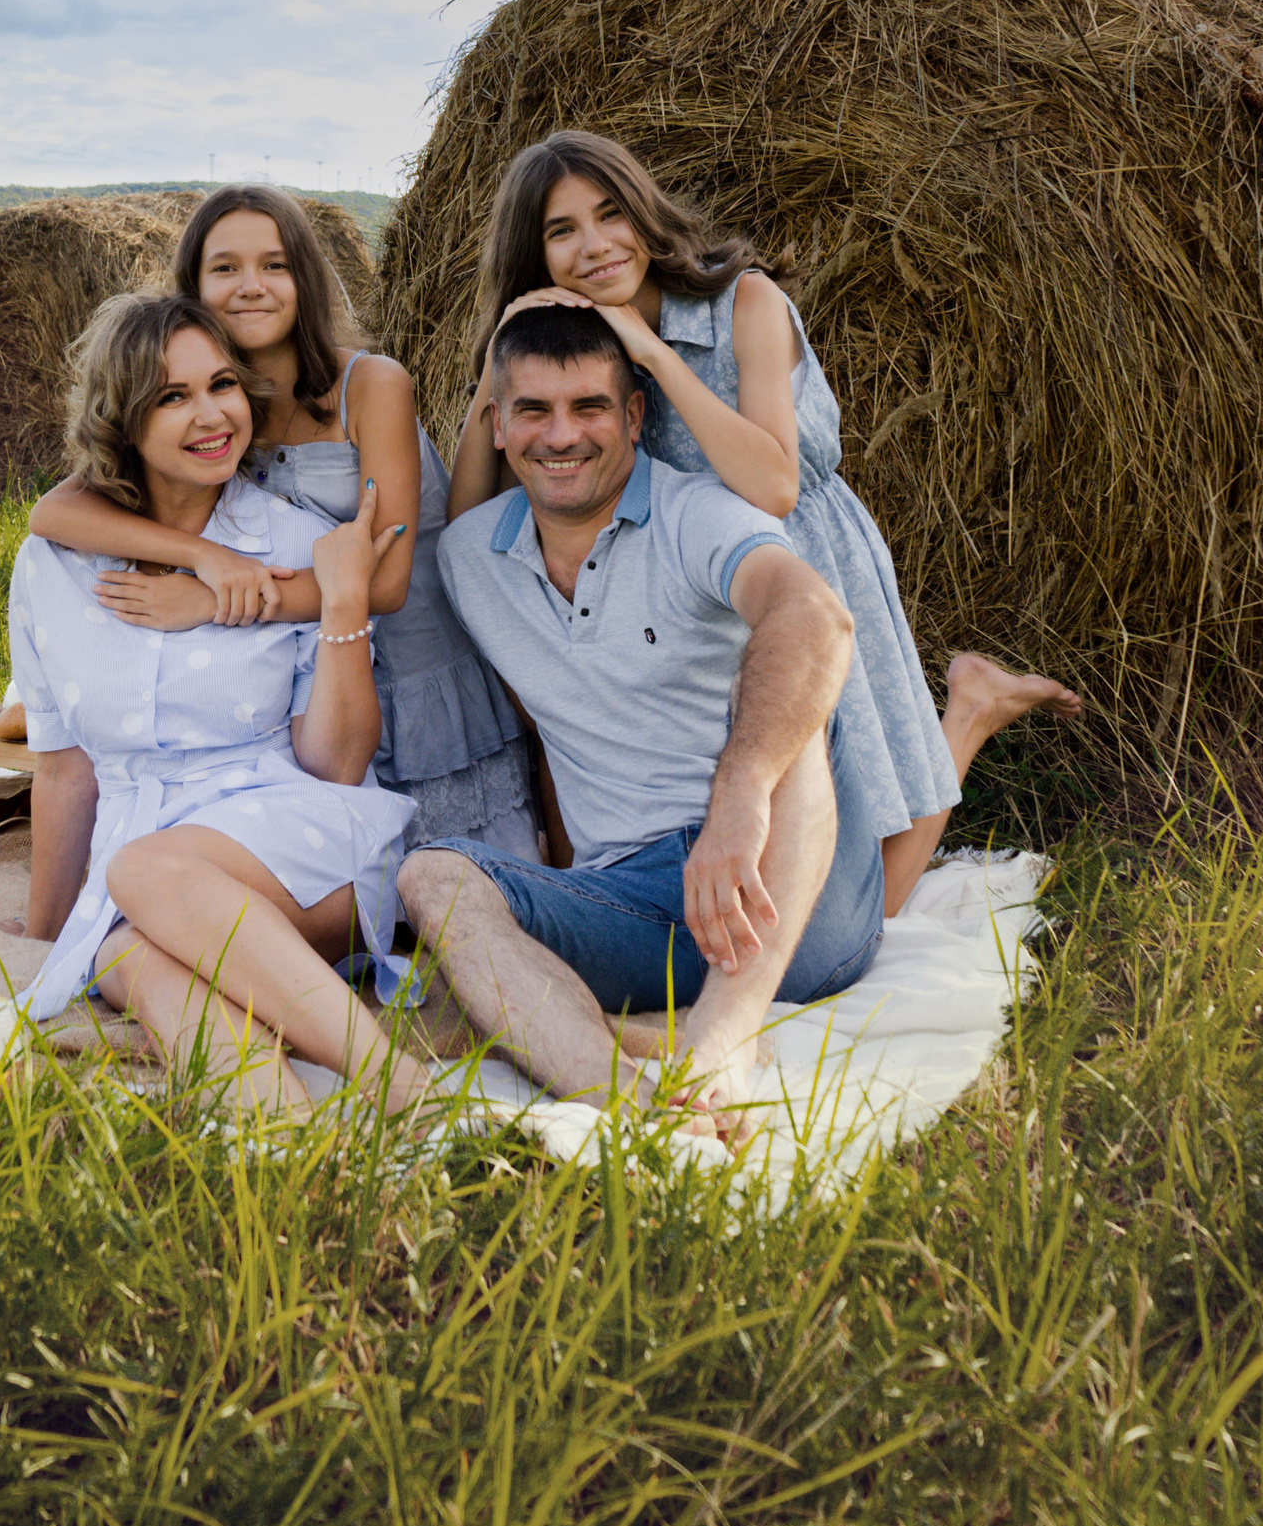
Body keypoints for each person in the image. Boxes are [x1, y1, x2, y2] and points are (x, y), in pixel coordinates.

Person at [405, 305, 1067, 1126]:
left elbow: (814, 617)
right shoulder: (470, 561)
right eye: (534, 410)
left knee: (793, 706)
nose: (561, 434)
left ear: (636, 416)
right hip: (638, 907)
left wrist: (739, 798)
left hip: (783, 894)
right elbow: (544, 728)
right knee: (431, 877)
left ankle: (716, 1042)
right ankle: (627, 1098)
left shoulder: (697, 516)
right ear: (497, 425)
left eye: (589, 408)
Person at [448, 130, 1076, 912]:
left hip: (801, 568)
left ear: (644, 214)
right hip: (693, 597)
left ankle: (973, 710)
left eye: (611, 214)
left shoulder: (746, 302)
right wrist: (492, 374)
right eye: (561, 230)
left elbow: (773, 484)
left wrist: (654, 351)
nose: (595, 245)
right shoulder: (575, 355)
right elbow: (470, 532)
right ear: (535, 255)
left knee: (866, 887)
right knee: (767, 857)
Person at [6, 290, 426, 1118]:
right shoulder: (50, 567)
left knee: (144, 873)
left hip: (300, 841)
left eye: (222, 385)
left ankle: (402, 1088)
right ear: (122, 419)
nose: (213, 414)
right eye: (173, 396)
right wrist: (40, 942)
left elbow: (335, 764)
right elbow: (64, 774)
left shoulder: (297, 543)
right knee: (130, 956)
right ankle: (291, 1146)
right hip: (141, 864)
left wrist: (343, 607)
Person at [30, 185, 536, 857]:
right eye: (225, 268)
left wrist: (212, 601)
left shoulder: (370, 386)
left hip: (408, 668)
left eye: (275, 265)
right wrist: (205, 556)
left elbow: (385, 582)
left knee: (451, 890)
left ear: (305, 279)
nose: (252, 287)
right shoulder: (213, 410)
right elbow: (53, 510)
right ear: (192, 288)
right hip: (295, 682)